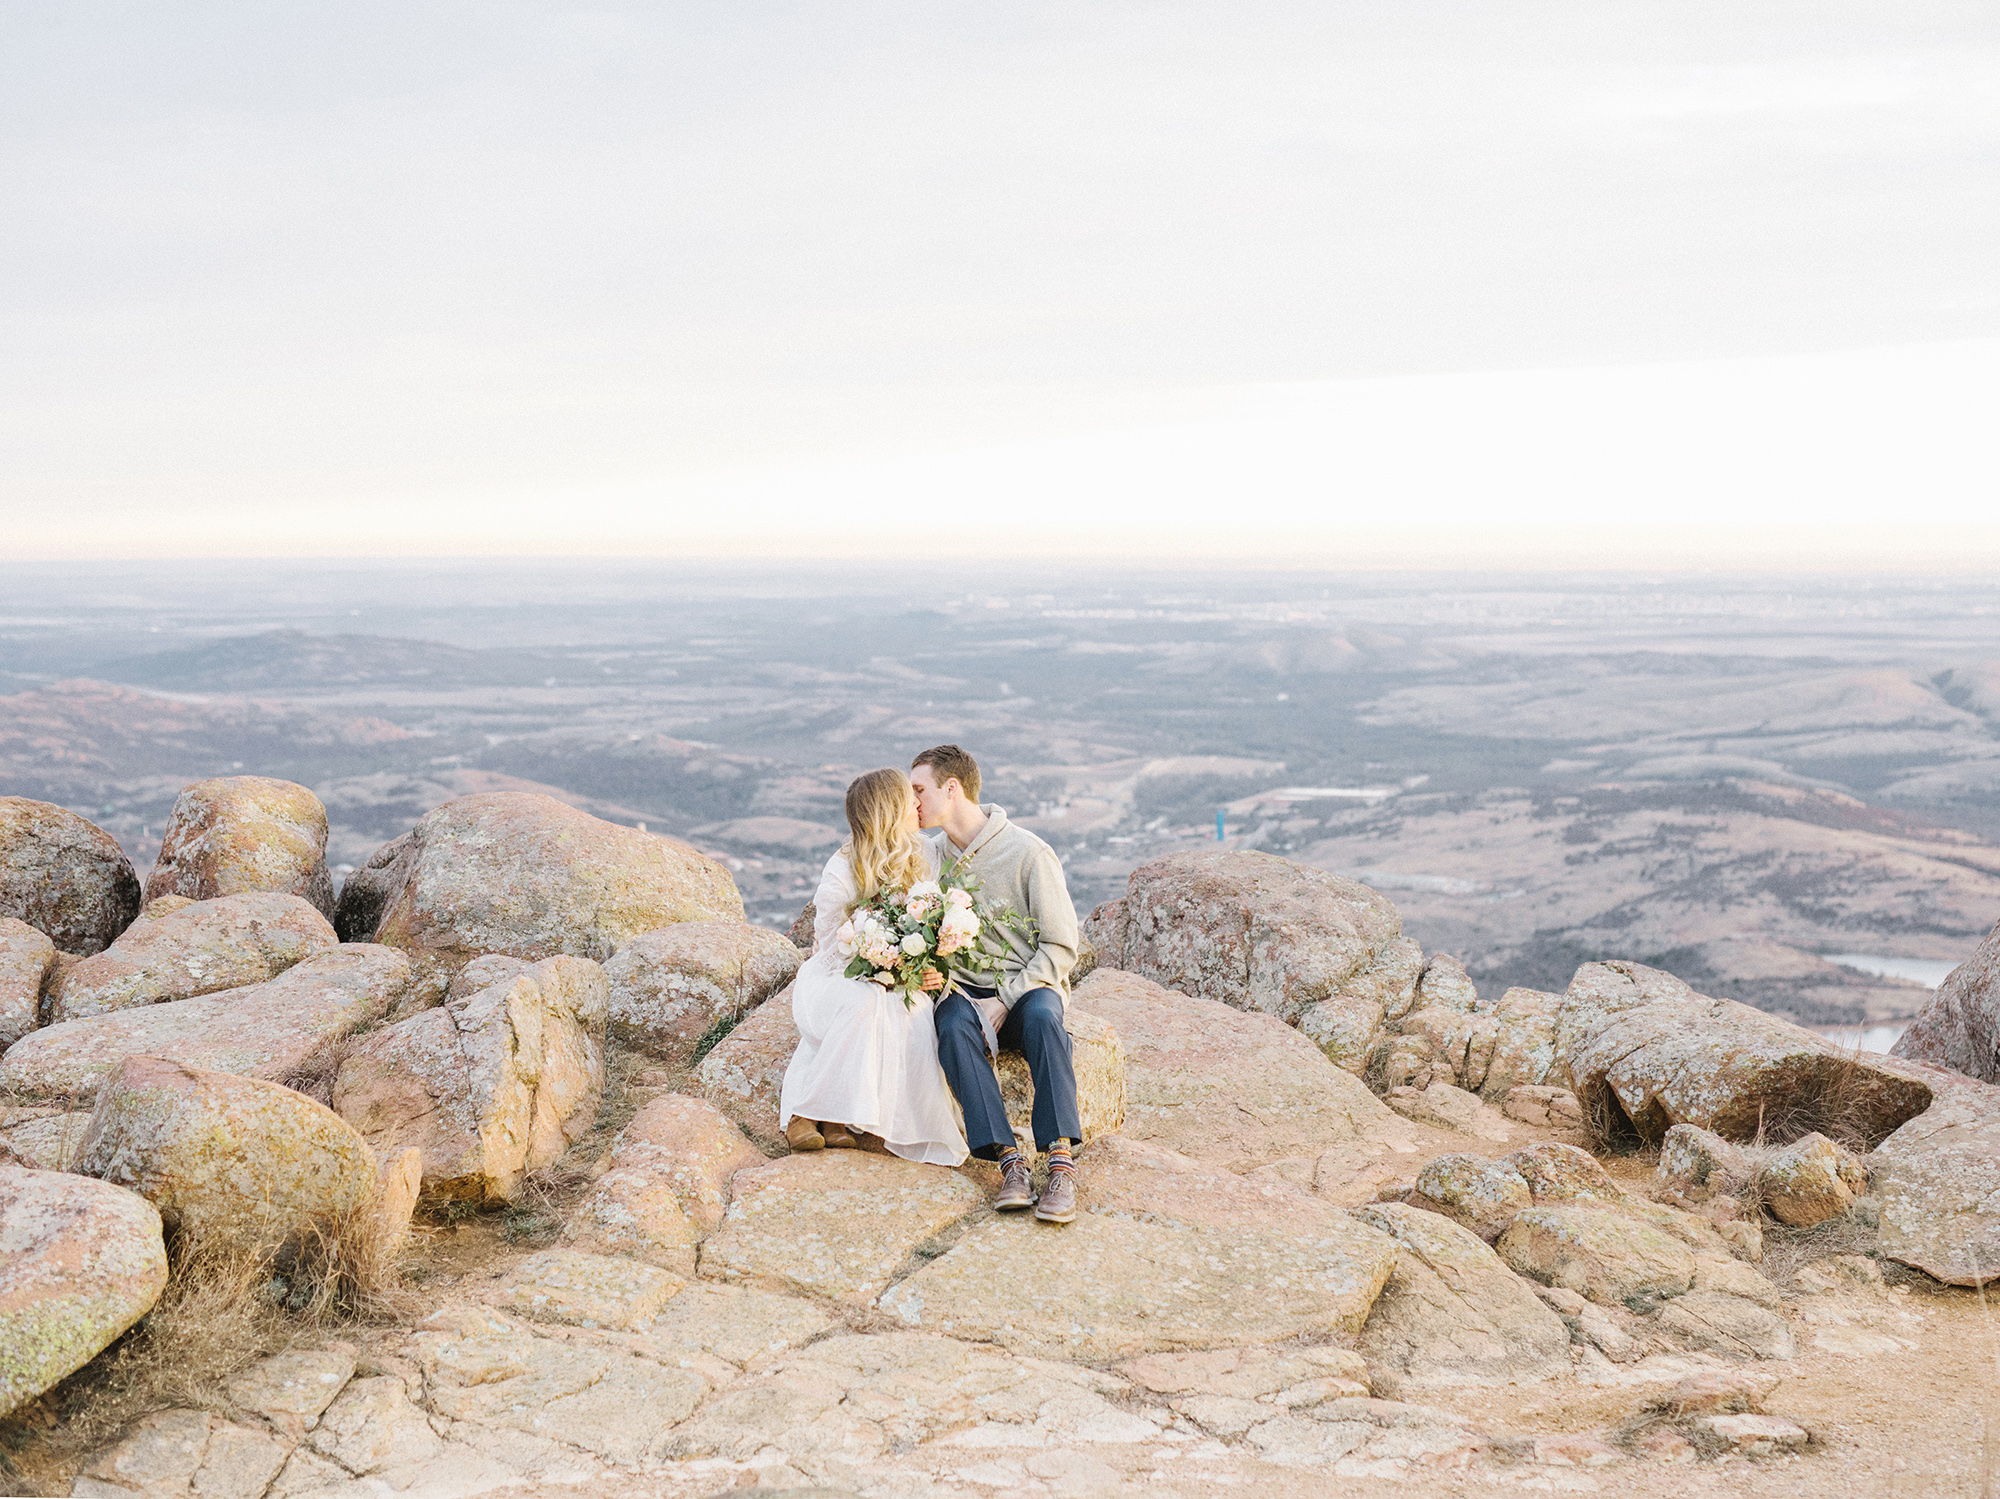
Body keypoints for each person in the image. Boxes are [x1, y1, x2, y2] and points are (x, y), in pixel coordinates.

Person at [910, 744, 1083, 1223]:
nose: (912, 802)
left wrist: (1006, 1000)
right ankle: (1010, 1162)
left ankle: (1060, 1163)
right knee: (948, 1026)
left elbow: (1061, 946)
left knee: (1049, 1019)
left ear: (952, 788)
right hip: (963, 993)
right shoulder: (928, 858)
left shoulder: (1028, 852)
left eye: (918, 790)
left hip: (1026, 990)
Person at [777, 767, 969, 1167]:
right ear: (888, 810)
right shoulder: (844, 867)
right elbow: (833, 948)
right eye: (908, 799)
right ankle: (805, 1114)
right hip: (838, 975)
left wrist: (930, 967)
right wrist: (882, 963)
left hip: (900, 978)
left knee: (910, 1012)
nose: (918, 804)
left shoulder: (925, 854)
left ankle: (837, 1118)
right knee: (863, 1003)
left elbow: (932, 923)